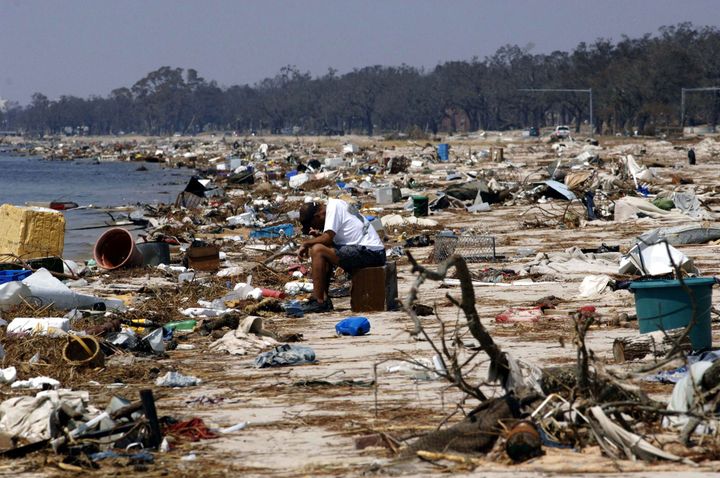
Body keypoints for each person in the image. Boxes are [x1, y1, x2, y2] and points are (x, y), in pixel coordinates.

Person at [297, 199, 386, 313]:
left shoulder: (333, 208)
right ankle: (324, 299)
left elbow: (327, 238)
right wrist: (319, 237)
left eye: (314, 225)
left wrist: (306, 243)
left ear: (318, 215)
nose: (317, 228)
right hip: (371, 251)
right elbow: (336, 242)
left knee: (317, 250)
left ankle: (318, 301)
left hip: (370, 252)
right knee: (323, 249)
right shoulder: (337, 204)